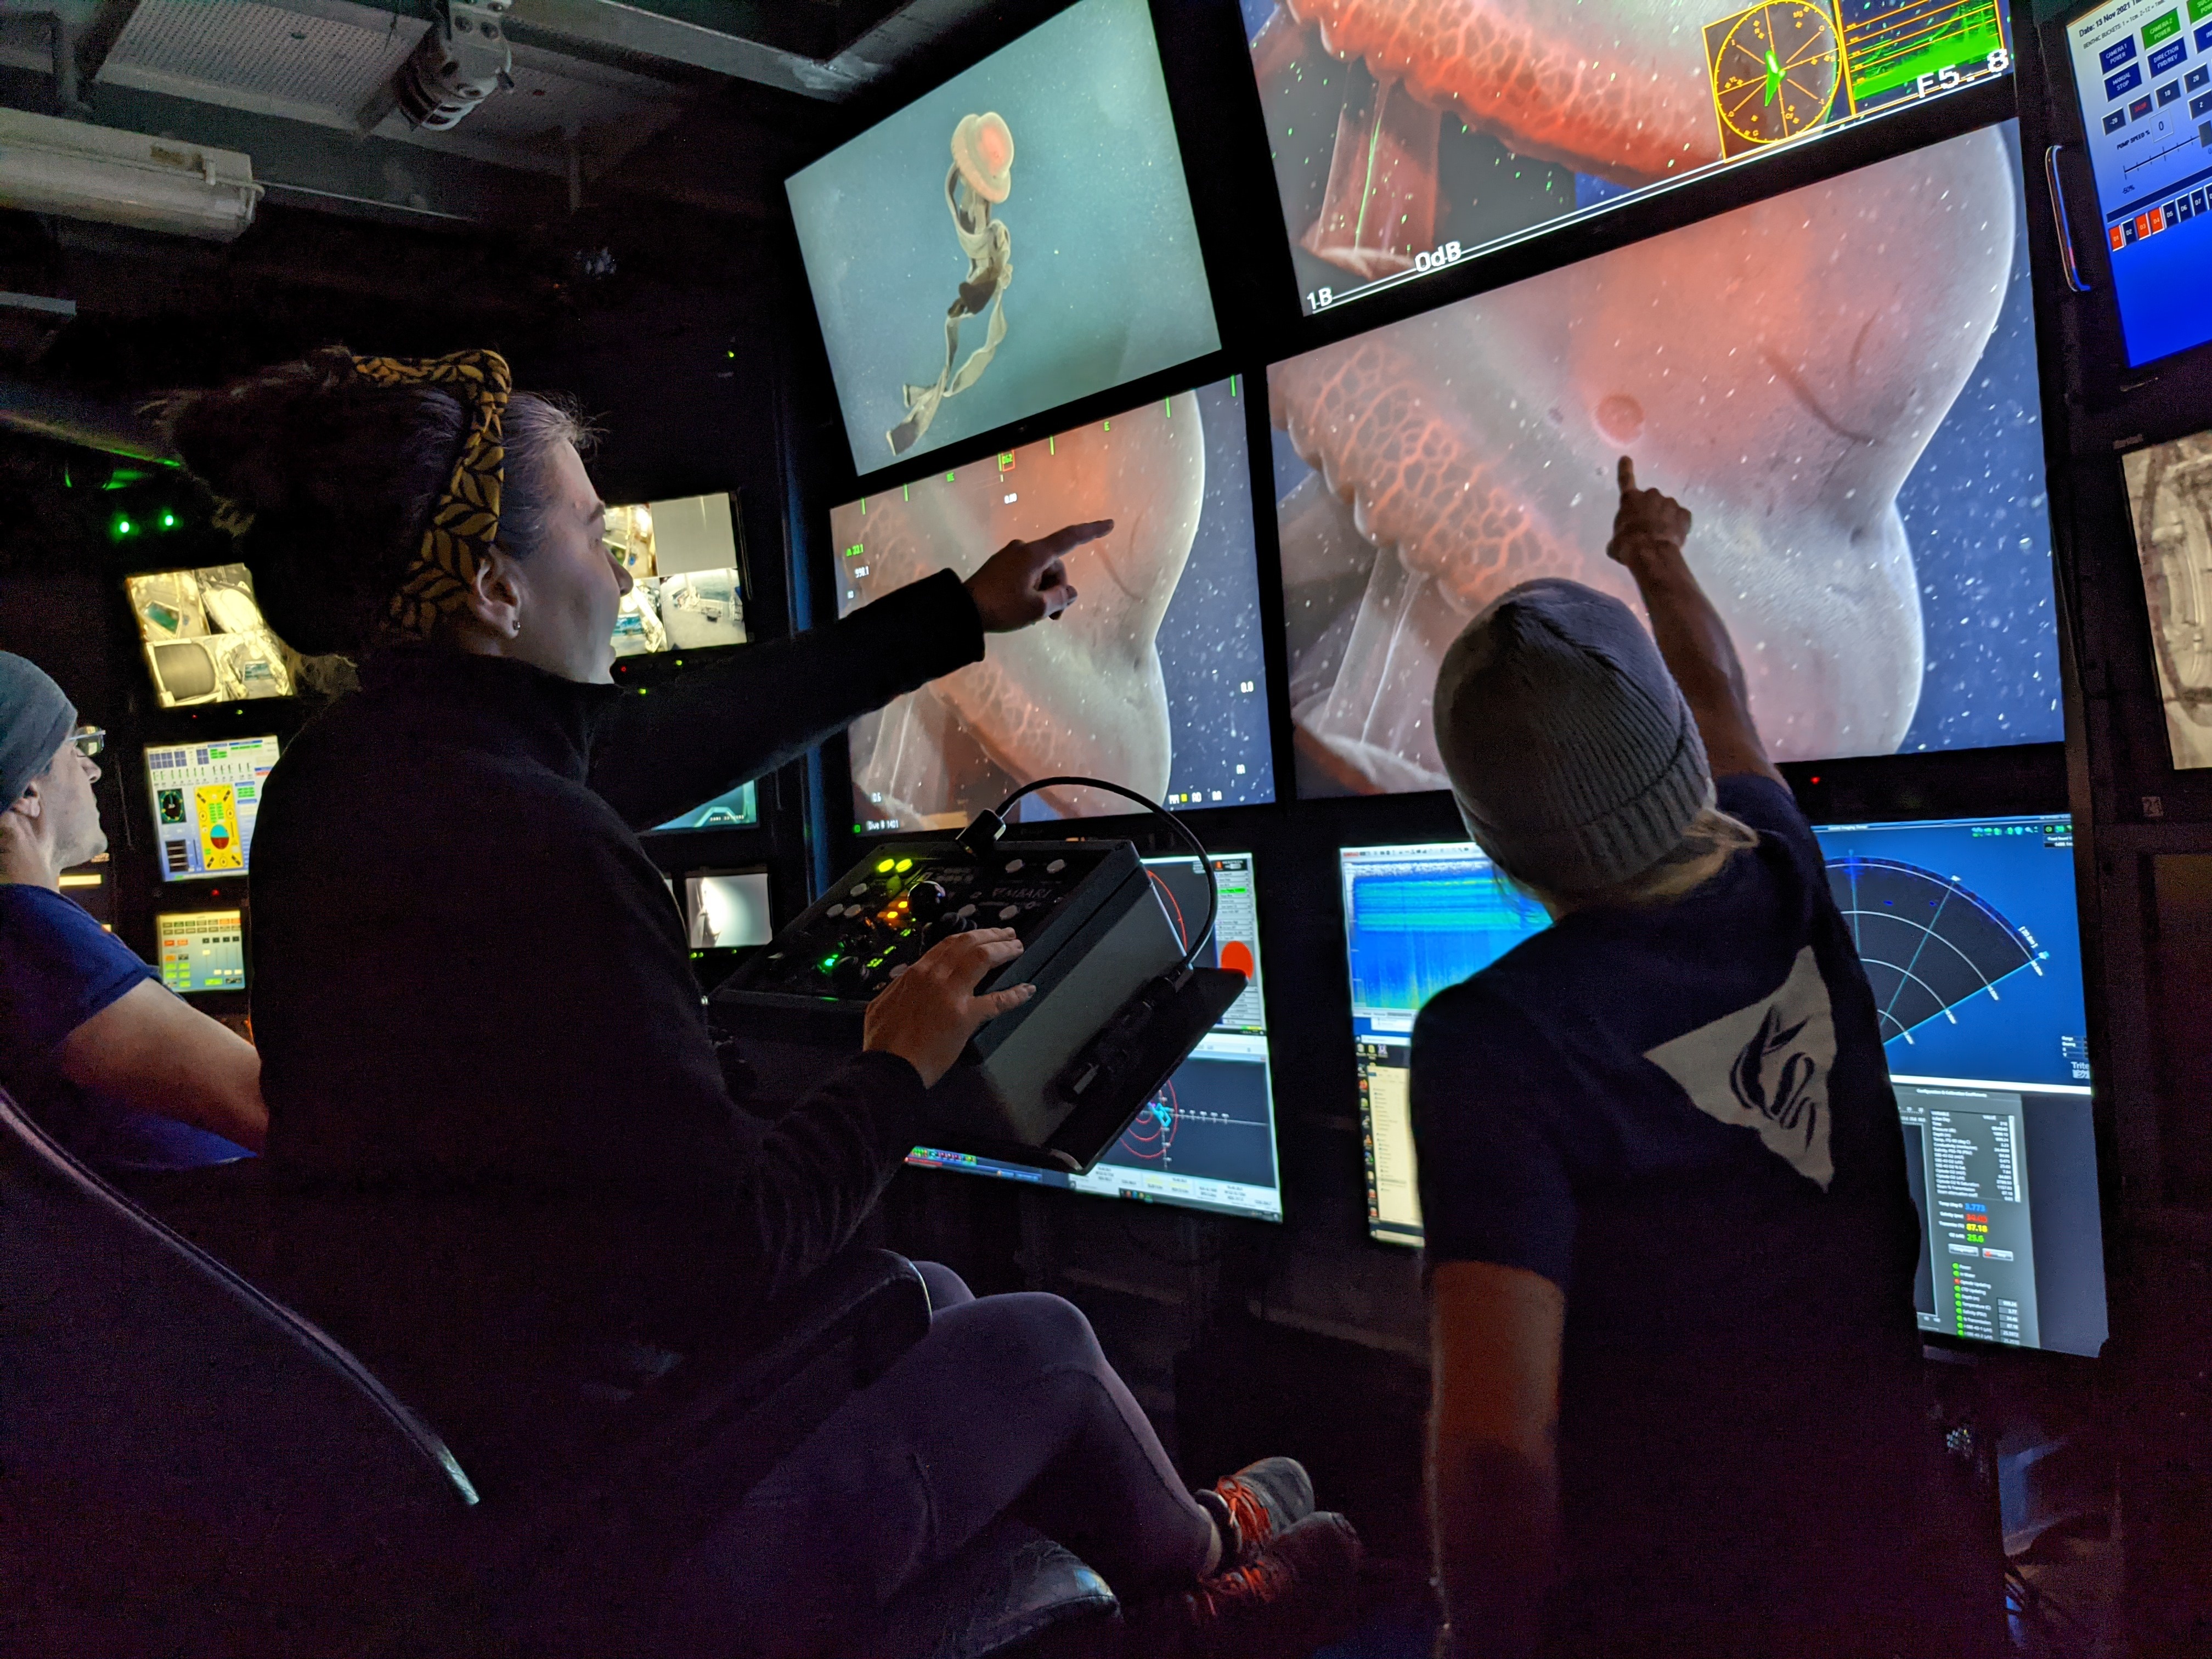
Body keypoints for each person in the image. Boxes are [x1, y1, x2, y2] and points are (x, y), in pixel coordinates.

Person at [157, 347, 1358, 1657]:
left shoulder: (345, 782)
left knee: (930, 1300)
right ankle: (1205, 1581)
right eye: (587, 526)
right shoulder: (538, 844)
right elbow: (733, 1254)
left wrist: (958, 615)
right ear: (497, 588)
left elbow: (659, 740)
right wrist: (897, 1060)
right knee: (1042, 1346)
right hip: (605, 1523)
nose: (620, 567)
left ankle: (1171, 1540)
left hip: (468, 1445)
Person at [1411, 459, 2002, 1659]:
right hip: (1907, 1582)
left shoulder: (1496, 1040)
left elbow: (1492, 1447)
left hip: (1671, 1615)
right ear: (1681, 763)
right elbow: (1722, 695)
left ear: (1491, 839)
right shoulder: (1785, 873)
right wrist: (1656, 554)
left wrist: (1478, 1639)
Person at [0, 652, 266, 1181]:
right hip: (224, 1247)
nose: (93, 768)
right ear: (29, 791)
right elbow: (270, 1109)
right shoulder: (32, 933)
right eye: (75, 747)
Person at [888, 110, 1015, 457]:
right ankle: (918, 418)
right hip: (979, 271)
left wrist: (985, 279)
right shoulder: (979, 227)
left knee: (957, 335)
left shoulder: (988, 238)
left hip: (982, 274)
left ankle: (918, 418)